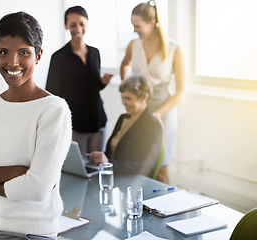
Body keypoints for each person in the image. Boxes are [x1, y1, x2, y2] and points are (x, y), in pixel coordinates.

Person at [0, 12, 72, 240]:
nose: (12, 62)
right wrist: (18, 173)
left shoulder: (54, 110)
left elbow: (36, 189)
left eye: (24, 53)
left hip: (30, 233)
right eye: (4, 52)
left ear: (38, 55)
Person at [120, 0, 186, 183]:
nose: (134, 30)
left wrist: (157, 113)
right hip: (140, 110)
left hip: (163, 112)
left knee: (161, 170)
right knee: (138, 166)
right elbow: (124, 64)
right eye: (132, 25)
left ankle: (168, 210)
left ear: (151, 23)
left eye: (137, 26)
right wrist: (127, 88)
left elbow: (180, 92)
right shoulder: (134, 45)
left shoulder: (174, 49)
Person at [45, 6, 113, 157]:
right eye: (73, 24)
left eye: (82, 24)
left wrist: (102, 81)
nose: (78, 28)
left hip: (98, 122)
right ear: (66, 26)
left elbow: (94, 86)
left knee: (97, 166)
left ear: (87, 24)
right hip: (75, 126)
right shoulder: (59, 58)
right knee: (79, 170)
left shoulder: (95, 53)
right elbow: (52, 94)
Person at [88, 74, 162, 177]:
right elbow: (112, 152)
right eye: (122, 98)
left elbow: (144, 166)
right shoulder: (123, 118)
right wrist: (100, 158)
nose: (124, 102)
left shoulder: (152, 125)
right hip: (113, 176)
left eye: (128, 98)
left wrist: (109, 164)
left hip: (130, 180)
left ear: (144, 98)